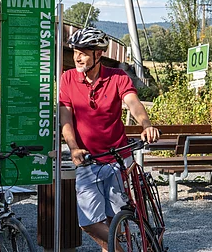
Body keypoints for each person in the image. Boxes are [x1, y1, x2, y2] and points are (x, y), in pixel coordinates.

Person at [60, 27, 160, 251]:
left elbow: (133, 103)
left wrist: (146, 124)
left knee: (116, 218)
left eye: (84, 52)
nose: (77, 56)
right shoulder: (67, 79)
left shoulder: (117, 77)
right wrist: (74, 148)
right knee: (89, 222)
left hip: (117, 158)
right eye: (76, 51)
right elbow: (65, 119)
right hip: (87, 159)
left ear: (98, 54)